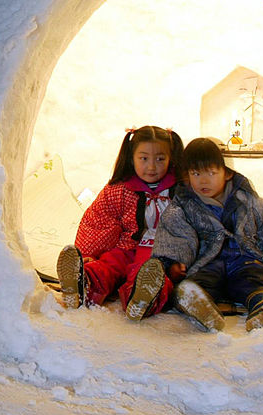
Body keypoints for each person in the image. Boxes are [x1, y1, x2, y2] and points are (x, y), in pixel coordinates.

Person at [128, 138, 263, 332]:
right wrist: (173, 263)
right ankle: (197, 304)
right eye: (196, 173)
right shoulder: (183, 206)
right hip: (207, 261)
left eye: (211, 172)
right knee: (198, 281)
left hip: (245, 259)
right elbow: (177, 236)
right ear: (187, 176)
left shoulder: (249, 202)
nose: (203, 180)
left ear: (226, 173)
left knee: (258, 278)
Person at [57, 126, 185, 318]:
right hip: (126, 247)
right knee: (109, 265)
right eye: (144, 158)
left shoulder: (181, 190)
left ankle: (141, 299)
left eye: (160, 159)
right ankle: (83, 284)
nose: (151, 166)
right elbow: (98, 220)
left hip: (159, 252)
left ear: (170, 158)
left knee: (147, 273)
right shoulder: (120, 189)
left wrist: (183, 259)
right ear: (131, 157)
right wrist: (88, 253)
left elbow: (192, 225)